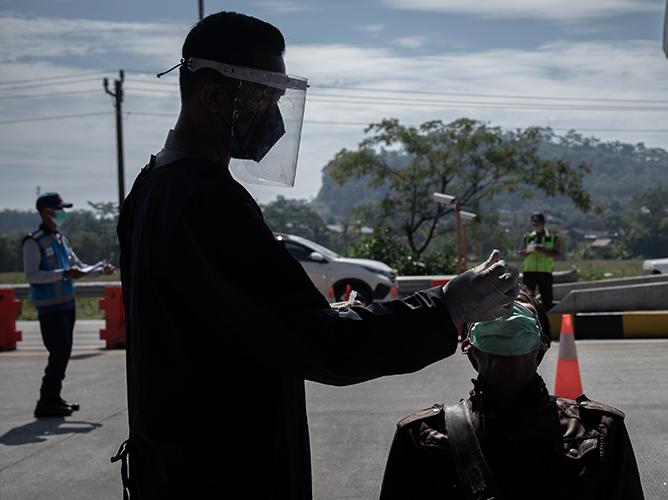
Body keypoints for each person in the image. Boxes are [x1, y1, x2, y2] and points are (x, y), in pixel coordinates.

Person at [114, 12, 520, 500]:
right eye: (264, 95)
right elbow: (325, 348)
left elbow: (238, 323)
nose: (275, 116)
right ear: (214, 96)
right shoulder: (204, 200)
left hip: (180, 465)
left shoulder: (154, 184)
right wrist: (448, 305)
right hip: (222, 473)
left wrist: (317, 317)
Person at [379, 286, 644, 500]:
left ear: (543, 341)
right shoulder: (420, 437)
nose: (506, 314)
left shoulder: (600, 432)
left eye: (519, 310)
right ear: (468, 344)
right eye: (491, 312)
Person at [22, 192, 114, 418]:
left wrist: (99, 270)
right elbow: (32, 275)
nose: (63, 214)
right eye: (59, 209)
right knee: (59, 353)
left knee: (63, 353)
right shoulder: (33, 241)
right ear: (46, 212)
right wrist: (62, 273)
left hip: (66, 305)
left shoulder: (61, 239)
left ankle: (53, 398)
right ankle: (46, 401)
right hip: (49, 308)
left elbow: (78, 267)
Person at [519, 212, 560, 309]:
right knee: (527, 298)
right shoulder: (527, 237)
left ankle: (546, 320)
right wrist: (529, 251)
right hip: (529, 271)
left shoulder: (552, 238)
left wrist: (543, 250)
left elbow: (557, 254)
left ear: (543, 224)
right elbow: (520, 252)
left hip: (545, 272)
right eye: (533, 224)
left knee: (547, 300)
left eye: (537, 224)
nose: (535, 226)